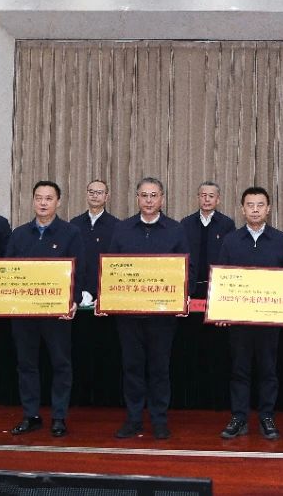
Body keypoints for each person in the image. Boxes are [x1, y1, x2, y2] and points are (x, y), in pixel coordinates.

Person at [0, 180, 87, 438]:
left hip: (57, 314)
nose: (43, 203)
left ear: (58, 202)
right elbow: (6, 272)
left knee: (61, 365)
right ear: (32, 201)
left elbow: (80, 271)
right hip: (24, 314)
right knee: (26, 365)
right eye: (39, 198)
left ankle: (59, 417)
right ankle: (30, 415)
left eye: (49, 198)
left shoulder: (71, 233)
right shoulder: (19, 234)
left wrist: (74, 300)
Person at [104, 177, 190, 440]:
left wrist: (181, 296)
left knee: (159, 369)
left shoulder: (175, 230)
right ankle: (133, 419)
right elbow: (111, 268)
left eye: (154, 195)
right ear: (137, 198)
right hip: (129, 316)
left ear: (162, 198)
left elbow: (187, 269)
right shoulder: (122, 229)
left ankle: (159, 420)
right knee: (132, 368)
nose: (149, 200)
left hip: (163, 316)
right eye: (144, 195)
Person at [216, 186, 283, 441]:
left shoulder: (281, 240)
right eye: (250, 205)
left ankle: (266, 416)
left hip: (269, 319)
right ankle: (239, 417)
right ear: (242, 209)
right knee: (239, 370)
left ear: (268, 209)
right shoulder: (230, 240)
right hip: (239, 320)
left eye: (260, 205)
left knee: (268, 370)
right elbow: (221, 277)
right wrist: (220, 309)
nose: (255, 210)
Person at [180, 181, 236, 299]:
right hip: (191, 285)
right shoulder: (186, 223)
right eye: (203, 195)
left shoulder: (227, 224)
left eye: (211, 196)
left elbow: (231, 255)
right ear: (198, 198)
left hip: (217, 285)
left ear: (218, 200)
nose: (207, 199)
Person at [69, 178, 119, 307]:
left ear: (106, 197)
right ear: (86, 195)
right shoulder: (74, 224)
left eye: (99, 192)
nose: (94, 196)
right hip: (77, 290)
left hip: (104, 291)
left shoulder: (116, 226)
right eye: (91, 192)